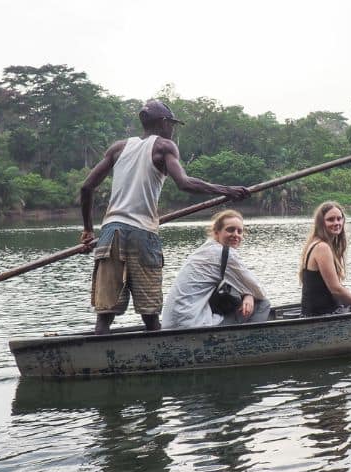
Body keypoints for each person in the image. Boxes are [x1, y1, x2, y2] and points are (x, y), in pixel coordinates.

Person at [80, 100, 250, 334]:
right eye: (171, 124)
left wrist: (89, 230)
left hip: (111, 232)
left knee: (105, 315)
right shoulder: (164, 147)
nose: (172, 129)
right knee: (150, 314)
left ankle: (97, 357)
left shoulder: (118, 148)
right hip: (142, 233)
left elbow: (86, 188)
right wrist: (226, 190)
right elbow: (184, 183)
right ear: (163, 122)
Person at [161, 210, 270, 329]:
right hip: (190, 325)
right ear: (217, 232)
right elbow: (260, 292)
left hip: (170, 324)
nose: (236, 235)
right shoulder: (224, 254)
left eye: (240, 231)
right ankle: (245, 343)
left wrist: (247, 293)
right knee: (262, 304)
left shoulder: (205, 249)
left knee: (234, 292)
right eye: (230, 229)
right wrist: (250, 295)